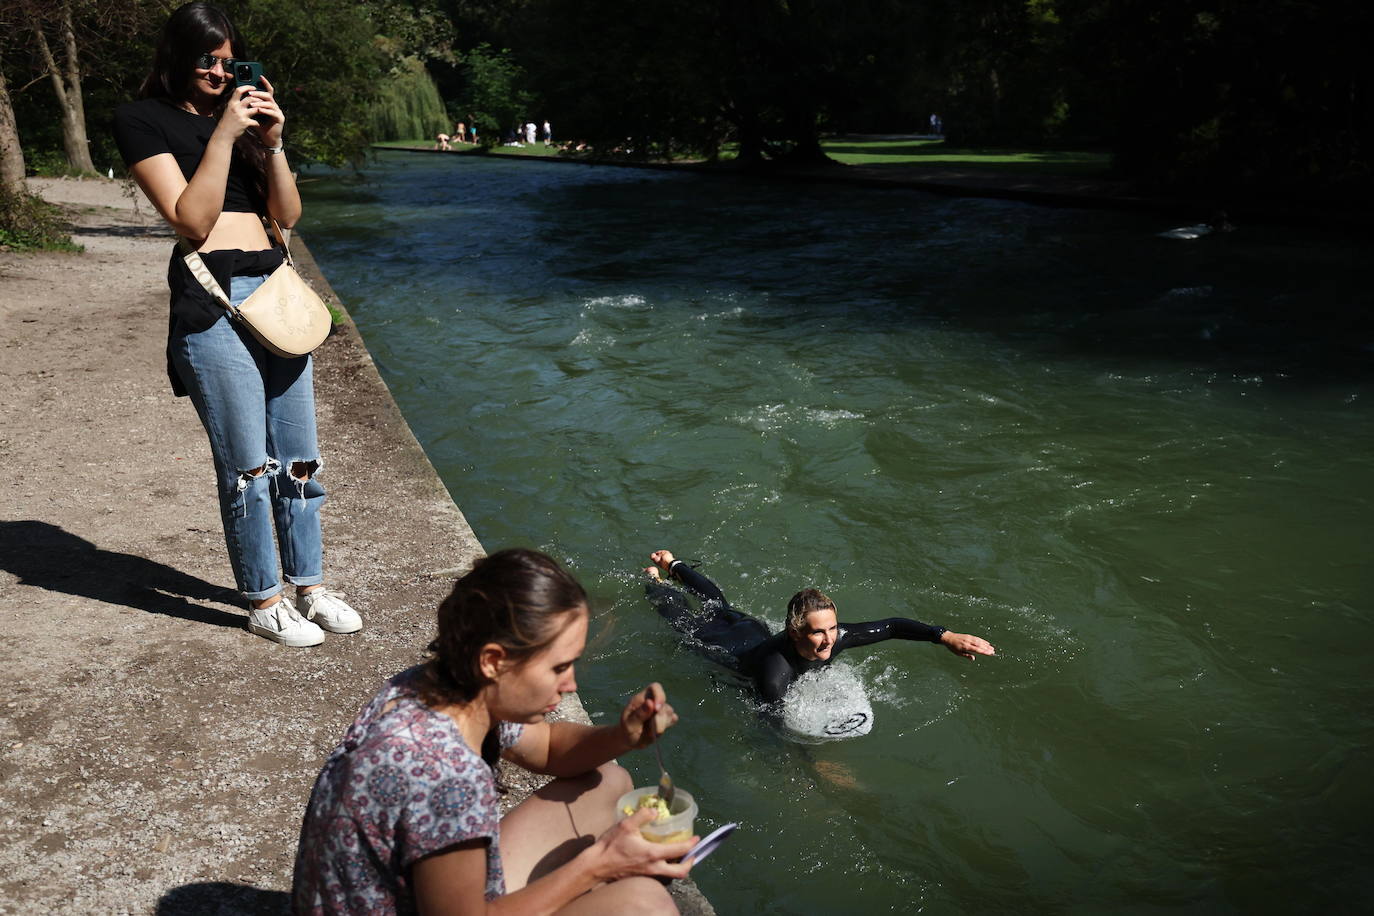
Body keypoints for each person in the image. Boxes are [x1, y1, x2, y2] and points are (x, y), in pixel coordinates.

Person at [113, 2, 361, 647]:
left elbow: (289, 214)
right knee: (248, 464)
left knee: (299, 458)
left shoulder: (248, 126)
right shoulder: (142, 119)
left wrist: (271, 144)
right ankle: (264, 597)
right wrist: (223, 134)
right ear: (176, 55)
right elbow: (190, 220)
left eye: (228, 61)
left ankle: (310, 586)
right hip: (212, 300)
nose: (219, 72)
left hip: (274, 289)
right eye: (206, 59)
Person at [294, 549, 695, 914]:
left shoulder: (434, 687)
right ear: (493, 661)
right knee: (645, 905)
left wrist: (622, 735)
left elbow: (551, 749)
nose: (571, 684)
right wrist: (597, 865)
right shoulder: (447, 777)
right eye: (559, 667)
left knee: (609, 780)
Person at [644, 549, 994, 703]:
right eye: (817, 632)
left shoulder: (836, 637)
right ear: (795, 632)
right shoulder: (774, 673)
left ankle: (674, 563)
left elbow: (890, 626)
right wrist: (815, 767)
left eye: (832, 628)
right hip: (718, 643)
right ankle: (656, 582)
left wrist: (944, 636)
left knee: (719, 604)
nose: (830, 639)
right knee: (682, 616)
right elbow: (773, 724)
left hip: (749, 628)